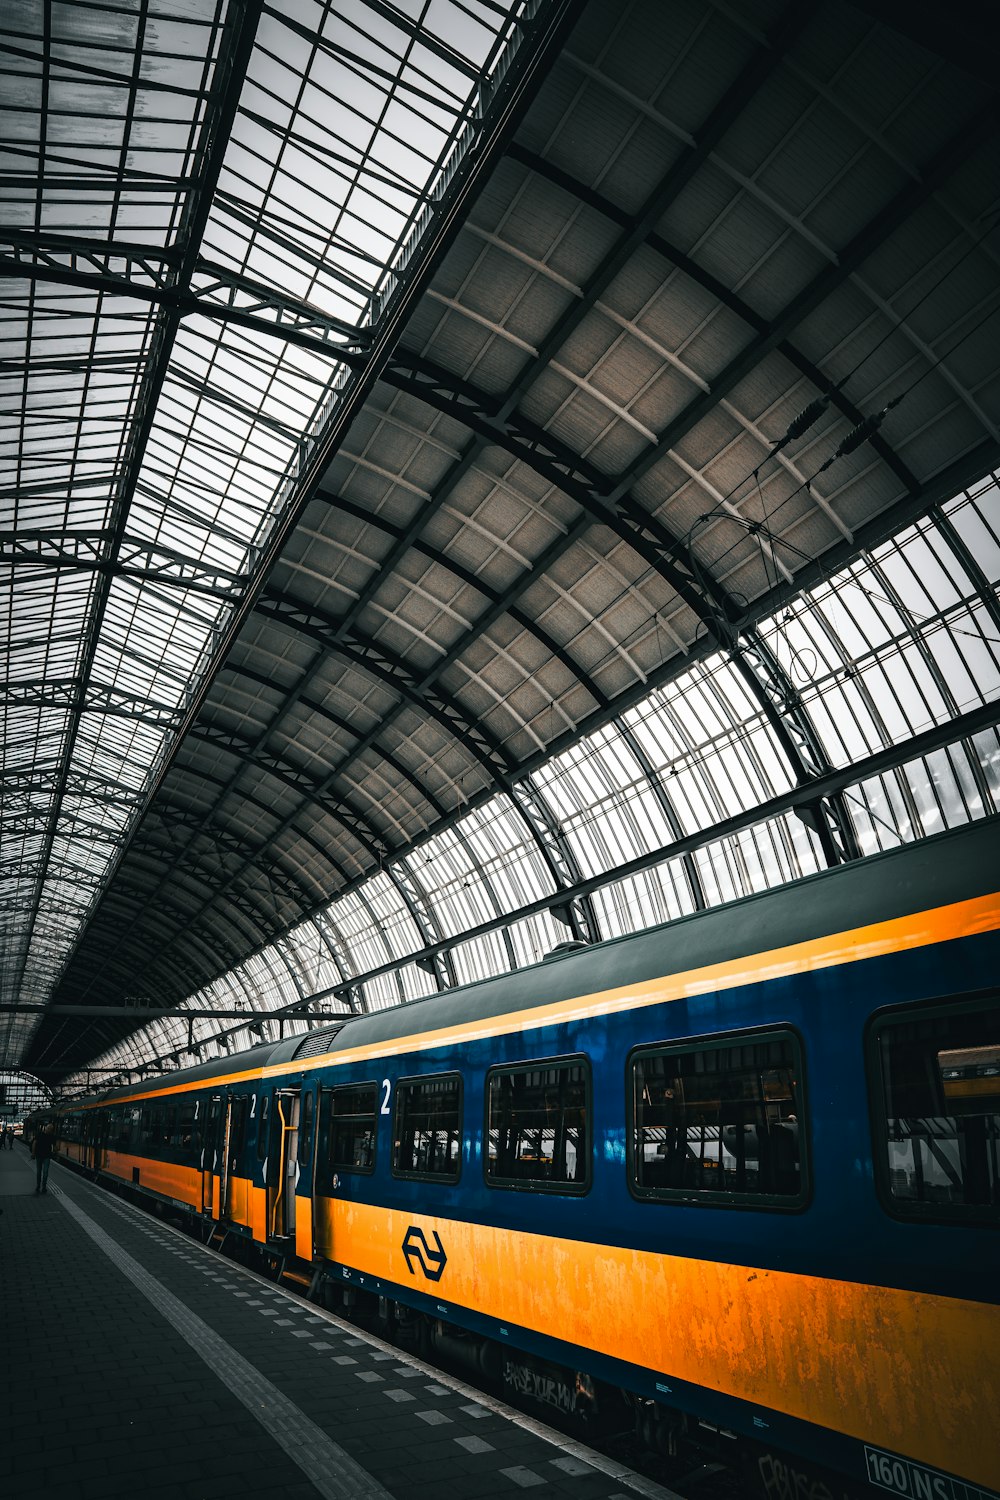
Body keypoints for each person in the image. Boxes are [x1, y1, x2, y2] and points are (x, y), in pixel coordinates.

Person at [32, 1125, 55, 1193]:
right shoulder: (39, 1134)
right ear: (46, 1128)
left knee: (45, 1172)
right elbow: (34, 1143)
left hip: (47, 1156)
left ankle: (44, 1186)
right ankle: (38, 1186)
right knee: (39, 1172)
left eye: (51, 1129)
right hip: (39, 1155)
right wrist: (33, 1153)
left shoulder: (51, 1136)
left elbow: (54, 1145)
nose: (50, 1131)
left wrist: (55, 1151)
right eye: (49, 1129)